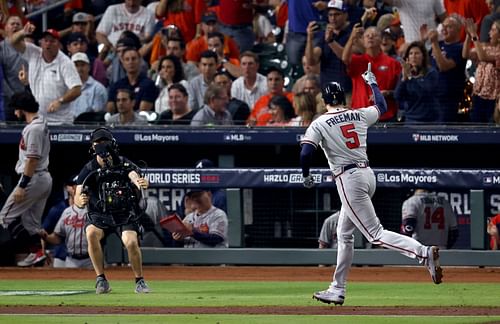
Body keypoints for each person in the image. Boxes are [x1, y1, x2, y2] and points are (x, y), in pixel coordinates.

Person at [300, 65, 443, 306]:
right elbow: (382, 107)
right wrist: (372, 82)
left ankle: (423, 253)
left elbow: (305, 153)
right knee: (343, 233)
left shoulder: (319, 123)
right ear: (342, 99)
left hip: (348, 178)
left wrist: (305, 176)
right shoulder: (358, 114)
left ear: (325, 100)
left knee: (375, 234)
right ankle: (337, 288)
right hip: (367, 174)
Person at [74, 127, 151, 294]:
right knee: (91, 234)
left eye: (105, 142)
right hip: (99, 212)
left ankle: (140, 280)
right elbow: (78, 194)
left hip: (124, 212)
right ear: (93, 146)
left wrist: (140, 183)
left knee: (131, 242)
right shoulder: (90, 168)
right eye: (98, 143)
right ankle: (101, 279)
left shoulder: (122, 162)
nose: (102, 146)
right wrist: (80, 200)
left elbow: (134, 175)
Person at [0, 91, 52, 267]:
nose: (15, 113)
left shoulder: (35, 128)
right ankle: (37, 252)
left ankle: (35, 250)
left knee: (5, 217)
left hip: (33, 178)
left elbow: (32, 159)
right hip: (41, 178)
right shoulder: (40, 122)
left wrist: (22, 185)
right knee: (31, 224)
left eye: (17, 109)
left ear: (22, 109)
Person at [12, 24, 82, 124]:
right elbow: (13, 42)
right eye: (46, 40)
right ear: (41, 43)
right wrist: (23, 32)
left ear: (58, 44)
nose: (48, 44)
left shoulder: (65, 62)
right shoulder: (33, 53)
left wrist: (60, 101)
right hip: (37, 120)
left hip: (60, 122)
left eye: (52, 41)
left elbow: (77, 89)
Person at [462, 18, 500, 123]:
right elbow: (465, 54)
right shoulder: (483, 46)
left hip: (493, 98)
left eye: (493, 30)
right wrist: (468, 36)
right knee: (475, 126)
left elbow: (483, 57)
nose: (489, 32)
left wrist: (474, 35)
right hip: (478, 95)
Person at [40, 197, 92, 268]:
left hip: (91, 259)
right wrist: (46, 237)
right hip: (71, 260)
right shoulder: (66, 212)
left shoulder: (95, 212)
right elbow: (57, 238)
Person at [394, 41, 439, 123]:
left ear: (423, 56)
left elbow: (423, 93)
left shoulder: (431, 73)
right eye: (411, 54)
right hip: (410, 119)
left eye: (417, 53)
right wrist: (404, 79)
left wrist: (410, 77)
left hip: (429, 121)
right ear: (407, 58)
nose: (413, 56)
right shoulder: (405, 73)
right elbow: (397, 96)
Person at [69, 52, 108, 120]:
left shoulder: (98, 88)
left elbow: (97, 116)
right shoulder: (64, 87)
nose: (79, 69)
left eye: (82, 65)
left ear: (89, 67)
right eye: (76, 65)